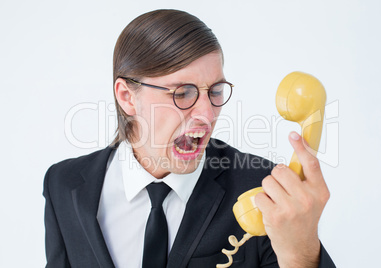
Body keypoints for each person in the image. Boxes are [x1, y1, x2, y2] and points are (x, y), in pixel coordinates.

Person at [43, 9, 335, 268]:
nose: (207, 115)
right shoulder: (63, 184)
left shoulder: (266, 191)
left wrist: (299, 254)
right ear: (127, 97)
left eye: (216, 92)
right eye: (182, 93)